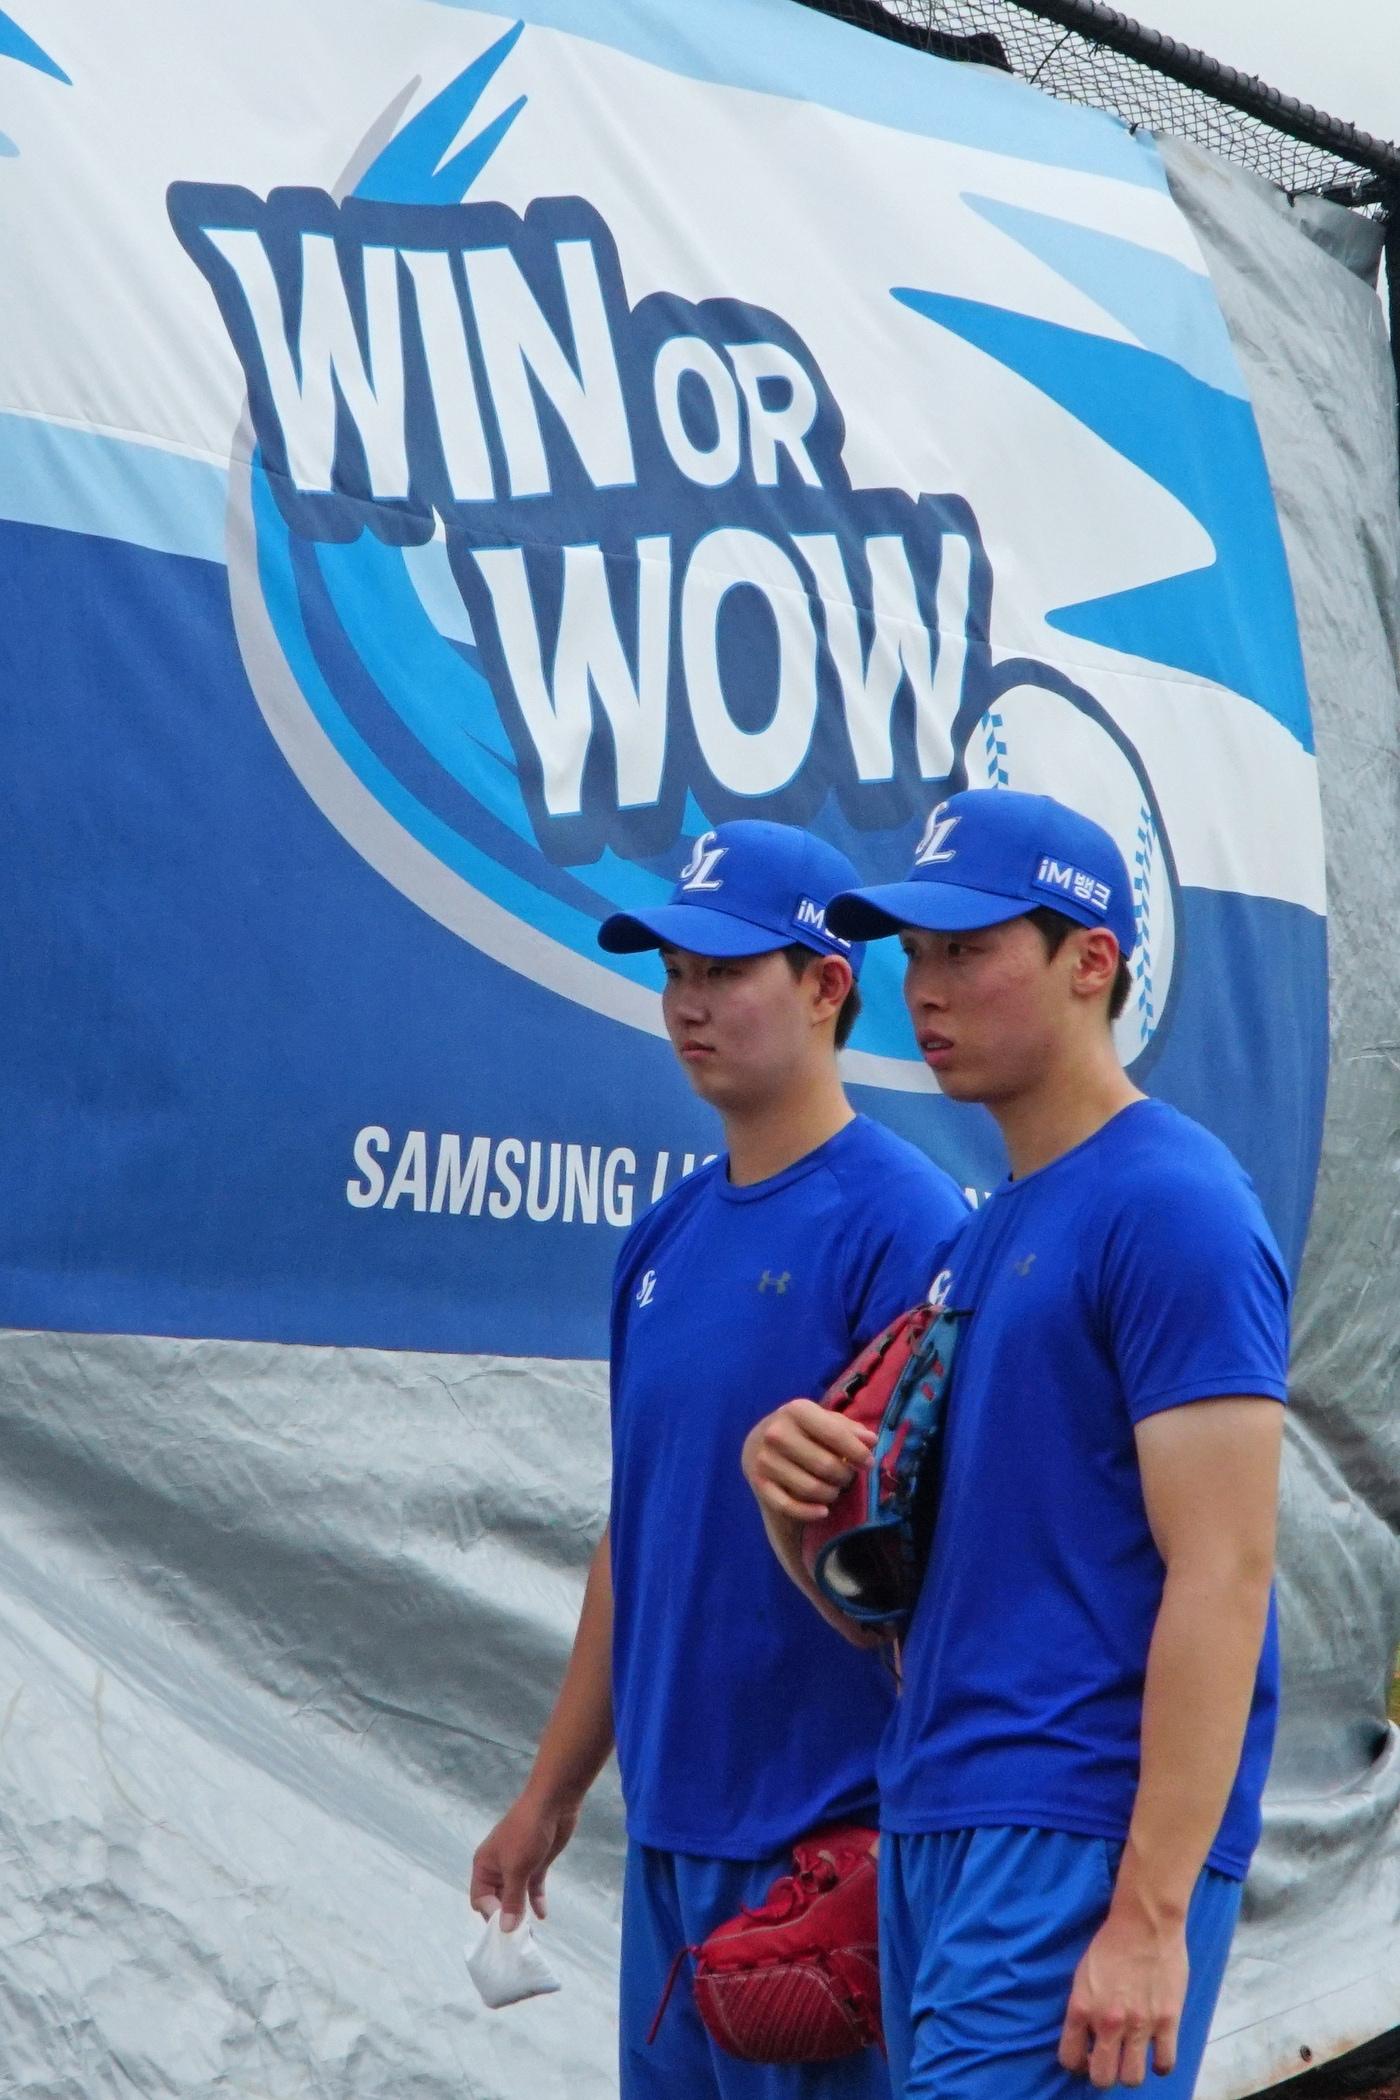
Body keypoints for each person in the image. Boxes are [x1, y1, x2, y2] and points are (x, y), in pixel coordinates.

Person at [742, 787, 1289, 2100]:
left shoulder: (1174, 1204)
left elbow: (1228, 1570)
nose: (926, 987)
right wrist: (789, 1511)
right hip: (944, 1810)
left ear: (1088, 961)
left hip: (1076, 1825)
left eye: (969, 949)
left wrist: (1150, 1915)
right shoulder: (985, 1235)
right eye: (916, 953)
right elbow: (910, 1619)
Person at [471, 819, 969, 2099]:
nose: (687, 1004)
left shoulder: (899, 1219)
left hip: (829, 1851)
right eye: (674, 971)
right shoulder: (661, 1240)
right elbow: (635, 1537)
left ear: (824, 985)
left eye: (725, 970)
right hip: (674, 1839)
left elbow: (939, 1558)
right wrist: (551, 1795)